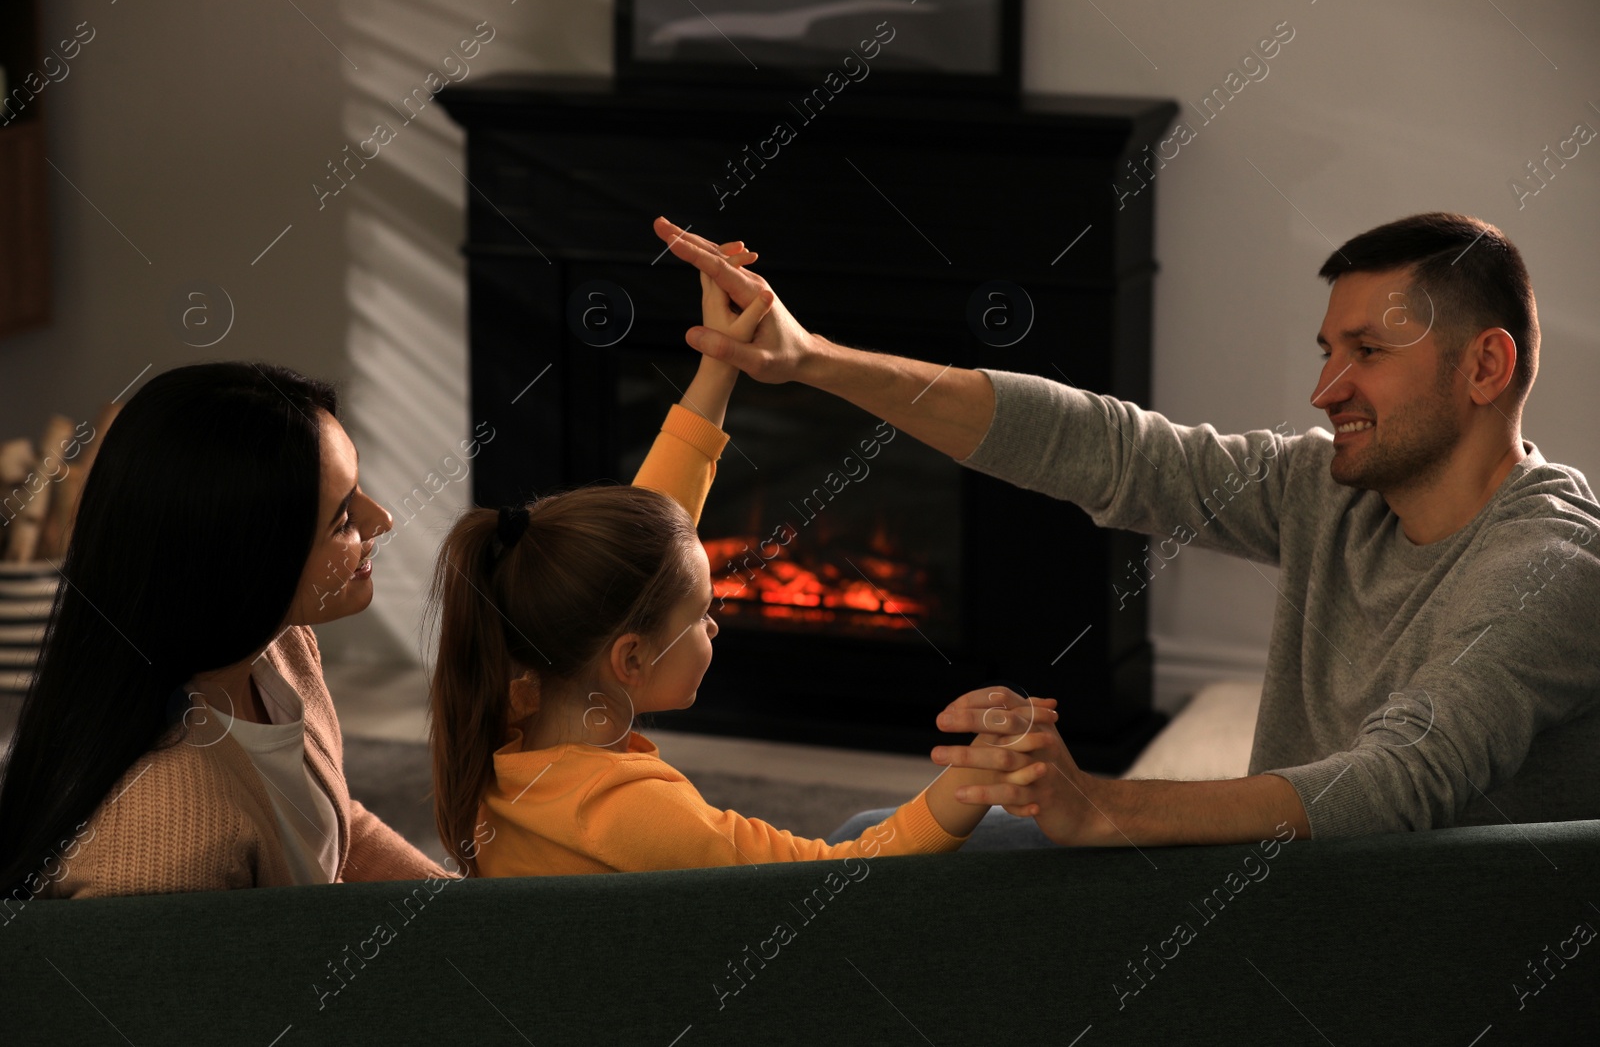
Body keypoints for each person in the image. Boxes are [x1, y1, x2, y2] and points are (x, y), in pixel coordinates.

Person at [652, 211, 1600, 846]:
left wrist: (1100, 807)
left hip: (1394, 944)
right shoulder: (1337, 490)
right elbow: (1113, 450)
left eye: (1368, 353)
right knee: (881, 840)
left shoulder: (1550, 567)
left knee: (911, 888)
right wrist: (813, 359)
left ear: (1485, 367)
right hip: (1276, 883)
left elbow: (1403, 782)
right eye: (1327, 352)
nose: (1325, 391)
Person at [426, 260, 1042, 875]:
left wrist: (719, 367)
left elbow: (645, 548)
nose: (714, 626)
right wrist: (969, 779)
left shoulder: (510, 733)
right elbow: (845, 876)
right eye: (699, 616)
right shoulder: (634, 815)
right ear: (631, 659)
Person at [0, 363, 446, 903]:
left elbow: (328, 826)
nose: (382, 520)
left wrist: (459, 910)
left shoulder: (277, 646)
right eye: (343, 519)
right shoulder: (163, 831)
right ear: (247, 565)